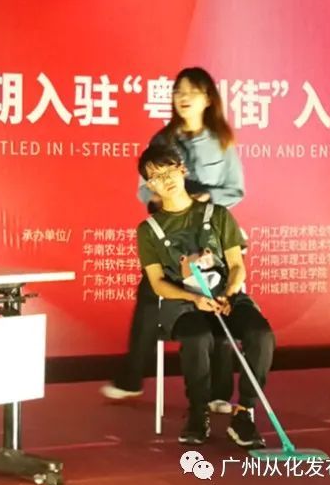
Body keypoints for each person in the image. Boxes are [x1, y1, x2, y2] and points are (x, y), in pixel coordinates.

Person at [102, 67, 244, 414]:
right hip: (171, 237)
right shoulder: (162, 141)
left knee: (218, 307)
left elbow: (236, 190)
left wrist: (206, 198)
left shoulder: (222, 141)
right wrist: (161, 197)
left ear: (208, 99)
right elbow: (143, 188)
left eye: (192, 91)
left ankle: (217, 393)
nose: (183, 97)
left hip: (210, 237)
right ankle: (131, 379)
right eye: (179, 91)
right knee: (151, 301)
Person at [133, 143, 273, 446]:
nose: (166, 180)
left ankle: (244, 413)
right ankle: (198, 412)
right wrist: (195, 299)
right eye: (156, 177)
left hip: (226, 298)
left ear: (182, 170)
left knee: (261, 334)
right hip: (184, 305)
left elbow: (237, 266)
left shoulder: (218, 214)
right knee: (197, 337)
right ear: (150, 186)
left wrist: (230, 294)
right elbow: (157, 283)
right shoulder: (148, 230)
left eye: (169, 171)